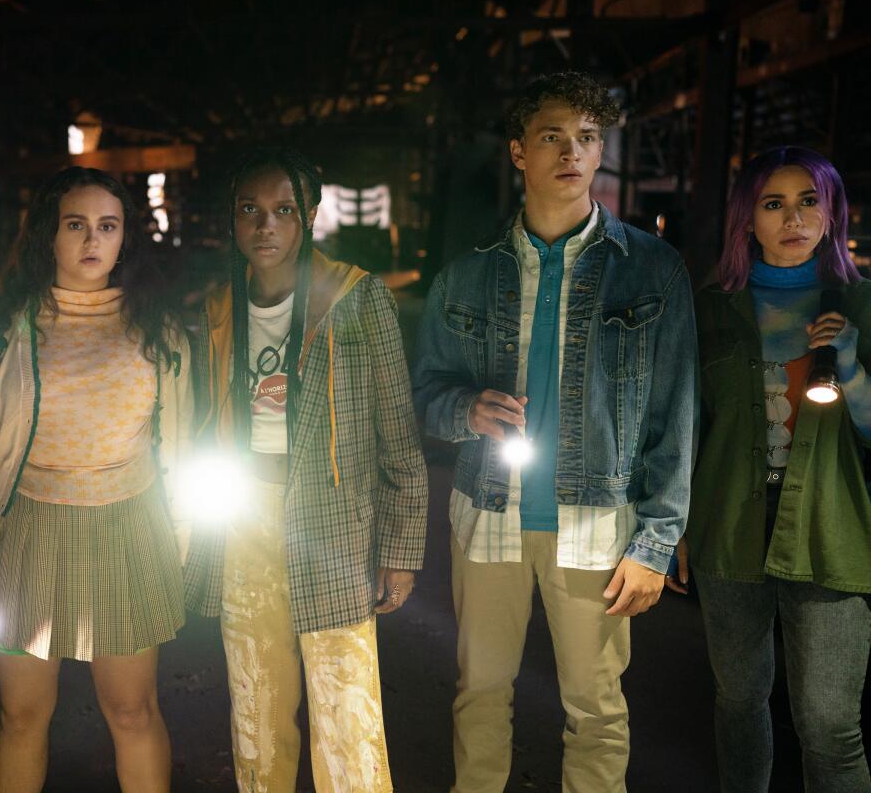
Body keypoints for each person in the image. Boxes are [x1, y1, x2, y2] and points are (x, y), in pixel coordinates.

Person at [412, 71, 698, 793]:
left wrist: (657, 541)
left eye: (588, 137)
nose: (572, 152)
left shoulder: (652, 270)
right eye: (552, 136)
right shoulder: (467, 275)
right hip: (488, 513)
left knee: (596, 709)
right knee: (480, 691)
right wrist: (464, 410)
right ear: (518, 151)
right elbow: (426, 394)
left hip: (597, 524)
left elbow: (676, 414)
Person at [183, 147, 428, 792]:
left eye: (283, 211)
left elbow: (396, 429)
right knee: (257, 703)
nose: (266, 226)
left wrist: (399, 549)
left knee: (346, 704)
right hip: (244, 517)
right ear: (232, 221)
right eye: (250, 211)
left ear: (309, 217)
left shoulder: (354, 297)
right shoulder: (218, 308)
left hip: (335, 519)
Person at [0, 166, 191, 793]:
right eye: (75, 224)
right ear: (47, 236)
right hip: (26, 528)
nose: (91, 240)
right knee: (21, 714)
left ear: (125, 238)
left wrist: (181, 545)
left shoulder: (158, 329)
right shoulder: (2, 327)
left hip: (130, 529)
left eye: (107, 226)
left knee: (132, 711)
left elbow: (180, 449)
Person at [677, 146, 871, 792]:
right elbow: (684, 425)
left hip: (831, 531)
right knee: (738, 702)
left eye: (809, 200)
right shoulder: (711, 309)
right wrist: (669, 527)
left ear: (833, 212)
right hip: (728, 528)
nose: (794, 217)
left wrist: (849, 364)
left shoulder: (862, 307)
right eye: (774, 203)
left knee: (828, 724)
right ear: (748, 220)